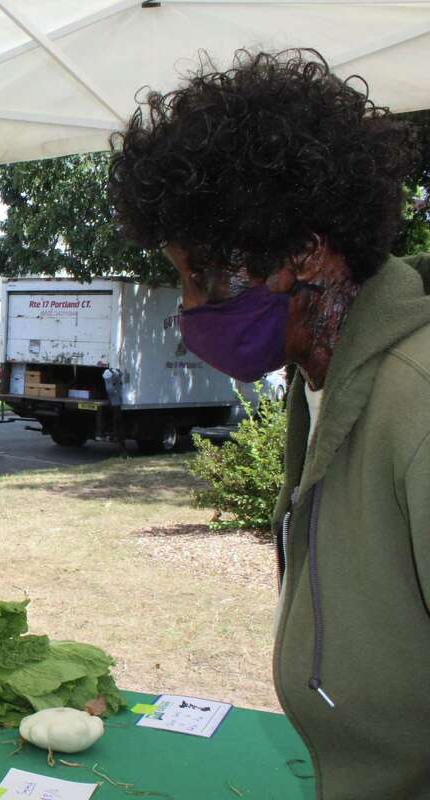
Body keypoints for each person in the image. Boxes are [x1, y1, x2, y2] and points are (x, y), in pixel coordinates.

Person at [108, 50, 430, 798]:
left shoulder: (415, 398)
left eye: (203, 275)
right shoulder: (321, 381)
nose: (189, 309)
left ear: (306, 255)